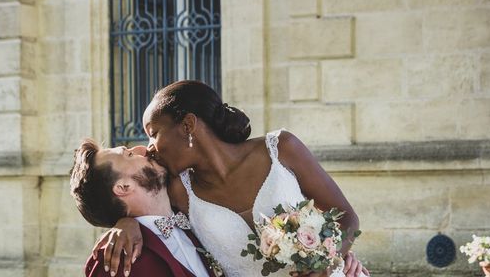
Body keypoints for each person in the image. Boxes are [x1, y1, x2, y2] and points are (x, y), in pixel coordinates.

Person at [95, 80, 369, 277]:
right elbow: (143, 206)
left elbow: (346, 217)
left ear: (188, 126)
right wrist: (125, 222)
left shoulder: (281, 149)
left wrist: (330, 260)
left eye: (153, 132)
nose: (150, 147)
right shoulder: (180, 191)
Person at [70, 138, 220, 277]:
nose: (143, 149)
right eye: (129, 154)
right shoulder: (116, 261)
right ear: (123, 187)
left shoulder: (196, 217)